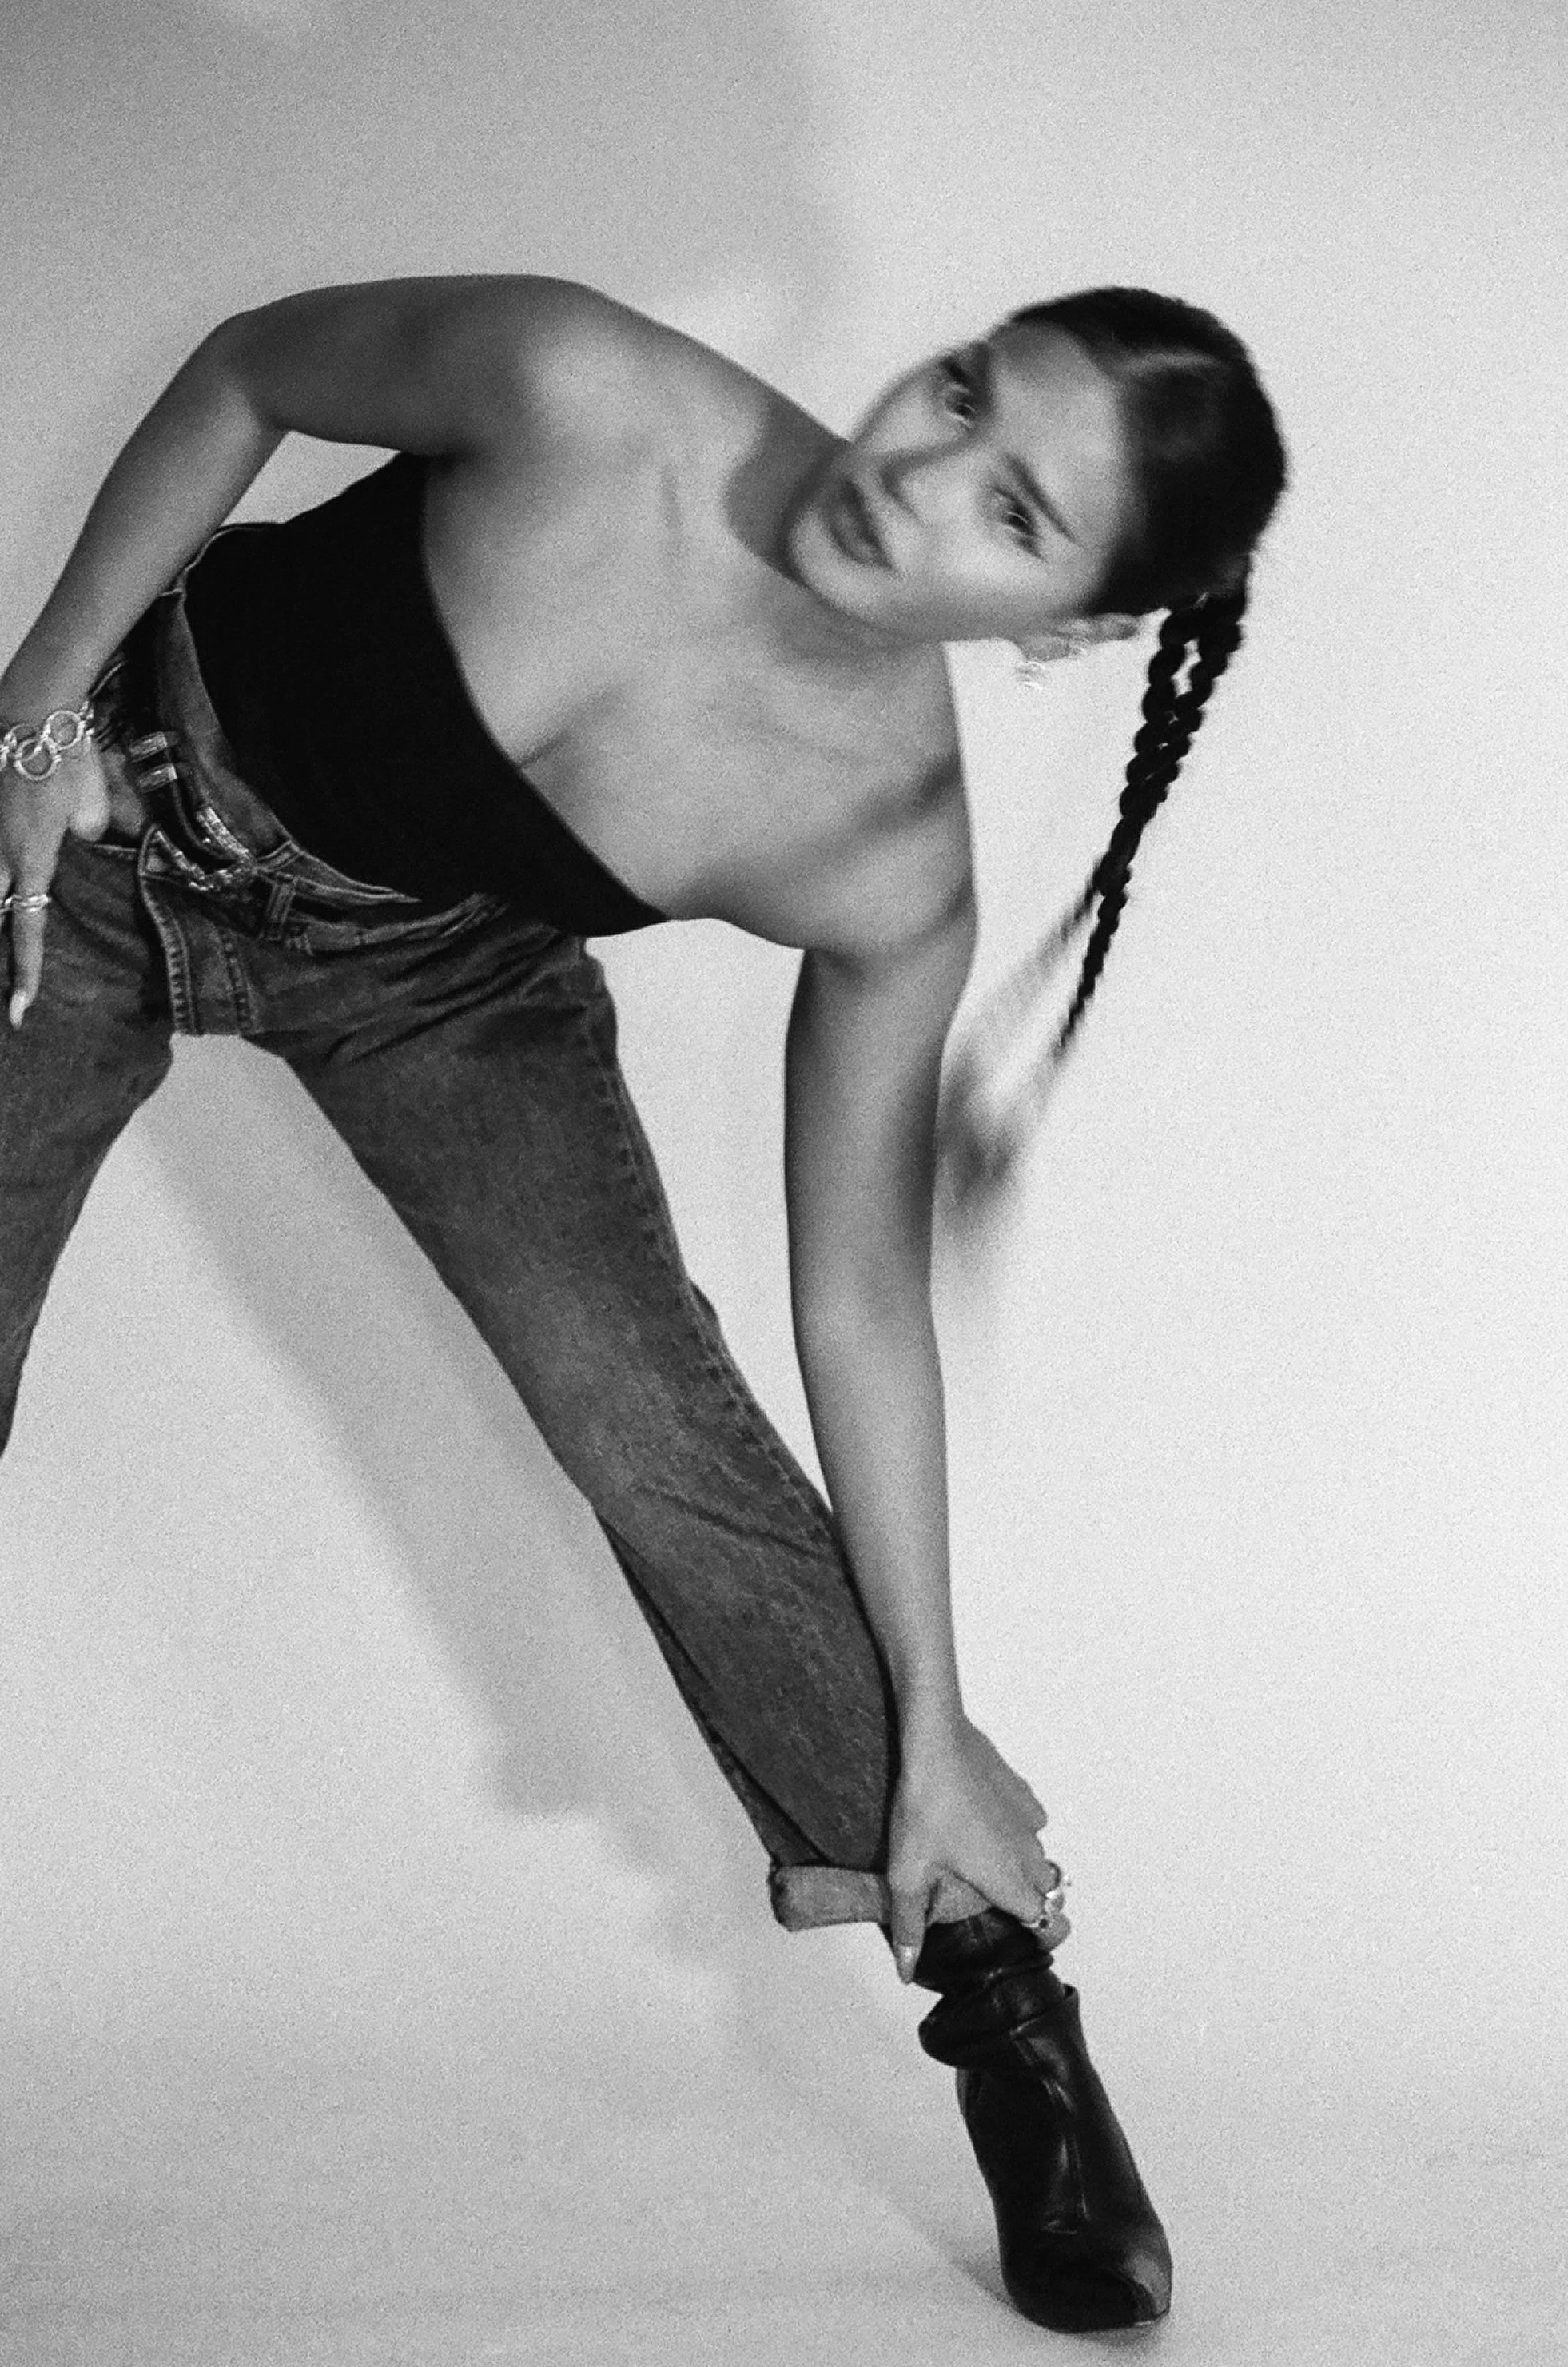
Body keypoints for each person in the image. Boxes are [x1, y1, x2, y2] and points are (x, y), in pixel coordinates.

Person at [0, 275, 1286, 2333]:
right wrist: (40, 710)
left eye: (1015, 514)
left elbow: (858, 1303)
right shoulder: (592, 391)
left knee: (654, 1430)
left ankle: (1009, 2012)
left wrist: (933, 1718)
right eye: (965, 392)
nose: (919, 473)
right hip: (93, 824)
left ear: (1067, 625)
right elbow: (246, 366)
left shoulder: (884, 858)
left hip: (435, 983)